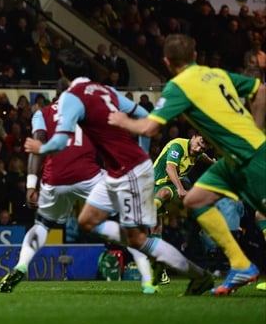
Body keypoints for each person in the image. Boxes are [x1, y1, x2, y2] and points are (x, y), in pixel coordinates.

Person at [24, 52, 214, 296]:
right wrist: (136, 140)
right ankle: (145, 244)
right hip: (118, 169)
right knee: (86, 220)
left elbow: (60, 142)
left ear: (62, 73)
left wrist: (42, 148)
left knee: (137, 239)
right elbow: (146, 117)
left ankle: (198, 276)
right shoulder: (105, 91)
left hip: (129, 170)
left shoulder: (72, 97)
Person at [109, 34, 265, 295]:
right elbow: (260, 91)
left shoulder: (178, 86)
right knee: (195, 199)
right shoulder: (215, 74)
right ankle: (241, 265)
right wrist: (257, 129)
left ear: (167, 61)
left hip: (251, 157)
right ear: (195, 56)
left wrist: (120, 121)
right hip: (233, 158)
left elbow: (148, 128)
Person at [0, 101, 156, 294]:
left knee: (42, 225)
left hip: (54, 179)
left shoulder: (42, 114)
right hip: (87, 175)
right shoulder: (89, 112)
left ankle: (21, 265)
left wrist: (31, 184)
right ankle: (148, 280)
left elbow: (38, 142)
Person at [149, 134, 213, 285]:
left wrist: (212, 162)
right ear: (194, 136)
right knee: (155, 231)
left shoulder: (197, 153)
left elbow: (202, 156)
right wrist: (180, 188)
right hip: (151, 184)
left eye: (202, 147)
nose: (198, 148)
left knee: (164, 193)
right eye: (198, 143)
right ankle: (161, 271)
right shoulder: (178, 146)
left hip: (165, 187)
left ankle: (151, 206)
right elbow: (170, 167)